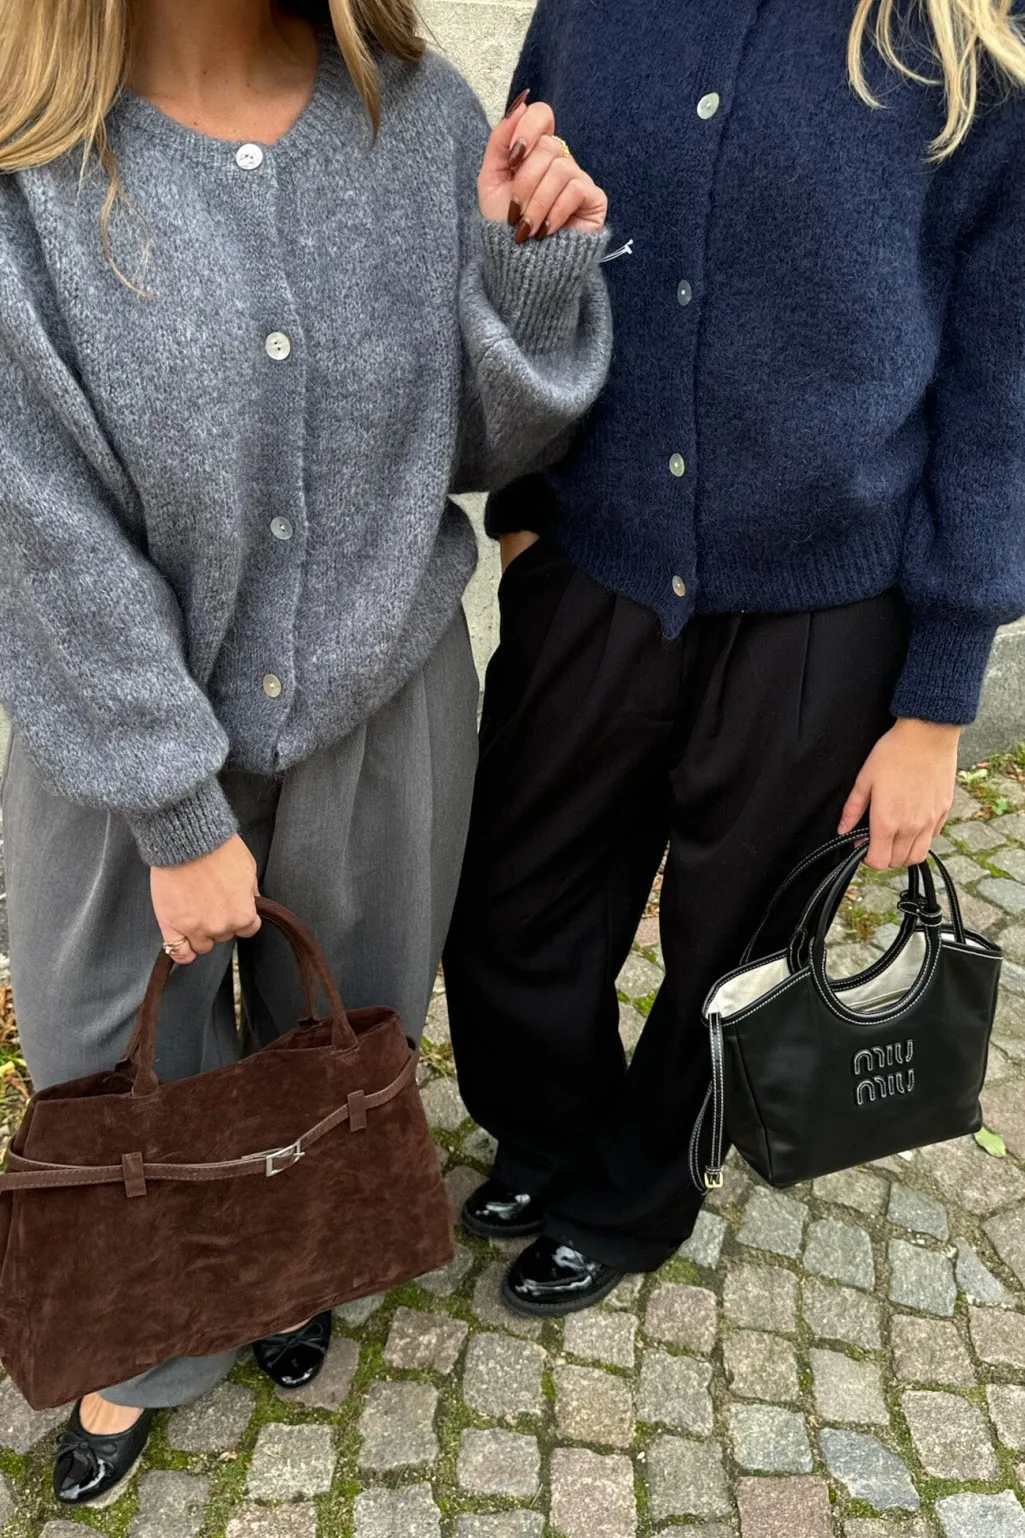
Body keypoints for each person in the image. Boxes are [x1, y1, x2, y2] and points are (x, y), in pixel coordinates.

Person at [0, 0, 610, 1504]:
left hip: (381, 703)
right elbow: (35, 524)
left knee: (344, 1029)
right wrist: (173, 805)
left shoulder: (417, 119)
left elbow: (475, 451)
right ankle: (149, 1340)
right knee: (116, 1059)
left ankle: (295, 1261)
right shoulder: (31, 171)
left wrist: (528, 277)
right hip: (111, 736)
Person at [444, 0, 1025, 1317]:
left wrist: (937, 703)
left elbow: (1001, 390)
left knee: (735, 958)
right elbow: (531, 234)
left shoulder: (968, 49)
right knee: (512, 911)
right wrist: (525, 514)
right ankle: (548, 1133)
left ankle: (630, 1195)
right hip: (592, 563)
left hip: (829, 605)